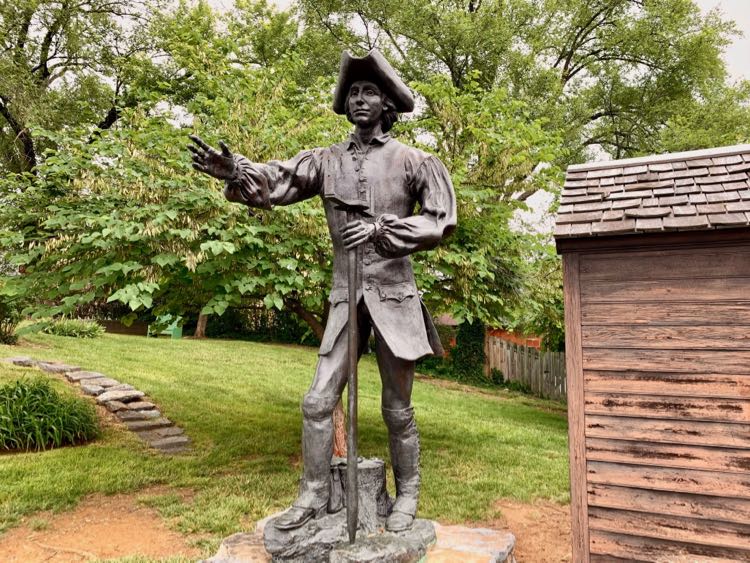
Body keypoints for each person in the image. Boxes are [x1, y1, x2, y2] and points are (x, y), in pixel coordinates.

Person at [188, 49, 456, 533]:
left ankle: (408, 494)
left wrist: (380, 229)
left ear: (387, 103)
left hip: (395, 299)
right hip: (345, 298)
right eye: (352, 92)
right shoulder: (326, 161)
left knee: (396, 407)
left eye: (369, 92)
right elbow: (280, 179)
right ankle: (312, 496)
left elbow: (440, 221)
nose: (358, 99)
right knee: (316, 400)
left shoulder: (416, 161)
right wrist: (236, 172)